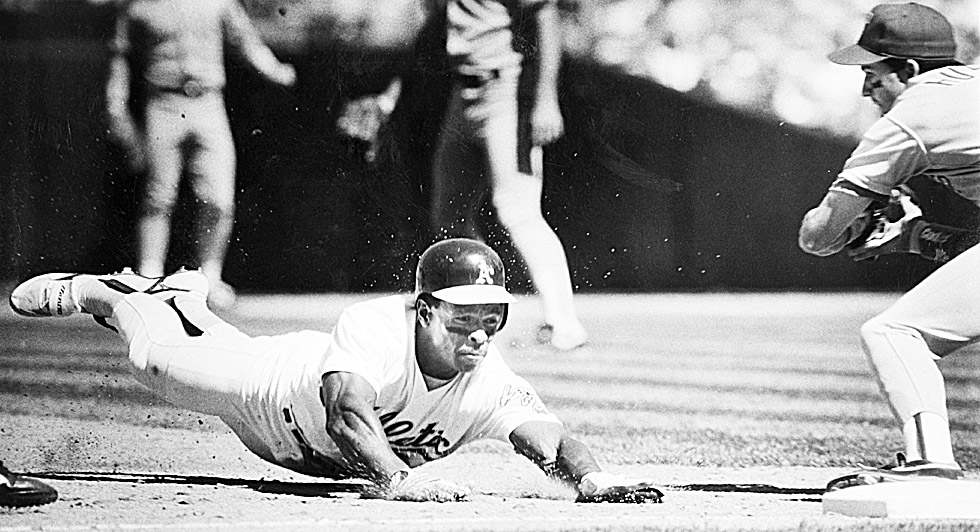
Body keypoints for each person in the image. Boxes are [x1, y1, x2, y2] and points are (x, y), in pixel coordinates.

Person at [8, 238, 662, 503]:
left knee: (175, 343)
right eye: (464, 315)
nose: (481, 329)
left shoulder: (488, 376)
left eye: (492, 314)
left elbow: (547, 435)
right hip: (266, 389)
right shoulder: (378, 326)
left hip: (301, 454)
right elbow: (349, 414)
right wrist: (397, 481)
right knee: (155, 360)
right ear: (424, 308)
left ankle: (179, 298)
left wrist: (592, 478)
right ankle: (126, 294)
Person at [797, 3, 979, 491]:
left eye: (873, 74)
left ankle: (930, 462)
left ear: (910, 70)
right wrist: (916, 236)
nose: (865, 88)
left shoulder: (908, 120)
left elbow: (818, 237)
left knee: (896, 332)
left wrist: (863, 218)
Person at [105, 0, 297, 309]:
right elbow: (121, 58)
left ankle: (210, 276)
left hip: (208, 102)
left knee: (219, 198)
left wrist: (275, 70)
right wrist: (115, 105)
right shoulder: (140, 7)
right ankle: (148, 276)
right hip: (163, 103)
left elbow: (246, 40)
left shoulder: (218, 3)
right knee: (158, 195)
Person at [430, 0, 588, 351]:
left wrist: (546, 98)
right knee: (448, 215)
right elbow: (434, 29)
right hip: (462, 92)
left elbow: (546, 16)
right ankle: (479, 314)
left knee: (518, 210)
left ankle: (564, 323)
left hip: (505, 89)